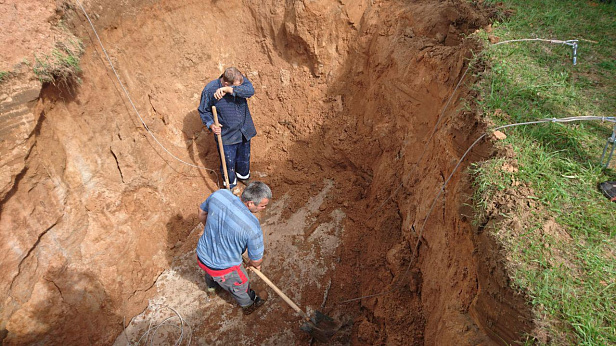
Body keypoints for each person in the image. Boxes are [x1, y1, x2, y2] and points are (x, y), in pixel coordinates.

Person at [196, 181, 271, 315]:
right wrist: (254, 265)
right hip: (224, 269)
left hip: (202, 255)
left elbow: (201, 212)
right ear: (250, 203)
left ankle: (211, 290)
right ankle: (248, 304)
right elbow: (256, 260)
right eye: (262, 206)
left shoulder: (220, 194)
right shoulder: (252, 226)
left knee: (210, 274)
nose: (264, 208)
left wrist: (210, 228)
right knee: (241, 284)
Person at [198, 67, 256, 190]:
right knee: (228, 162)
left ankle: (244, 177)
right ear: (225, 81)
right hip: (227, 134)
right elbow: (204, 111)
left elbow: (250, 91)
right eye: (234, 86)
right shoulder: (210, 90)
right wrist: (212, 125)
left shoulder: (238, 80)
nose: (239, 86)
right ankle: (231, 184)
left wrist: (229, 89)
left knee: (244, 158)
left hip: (244, 130)